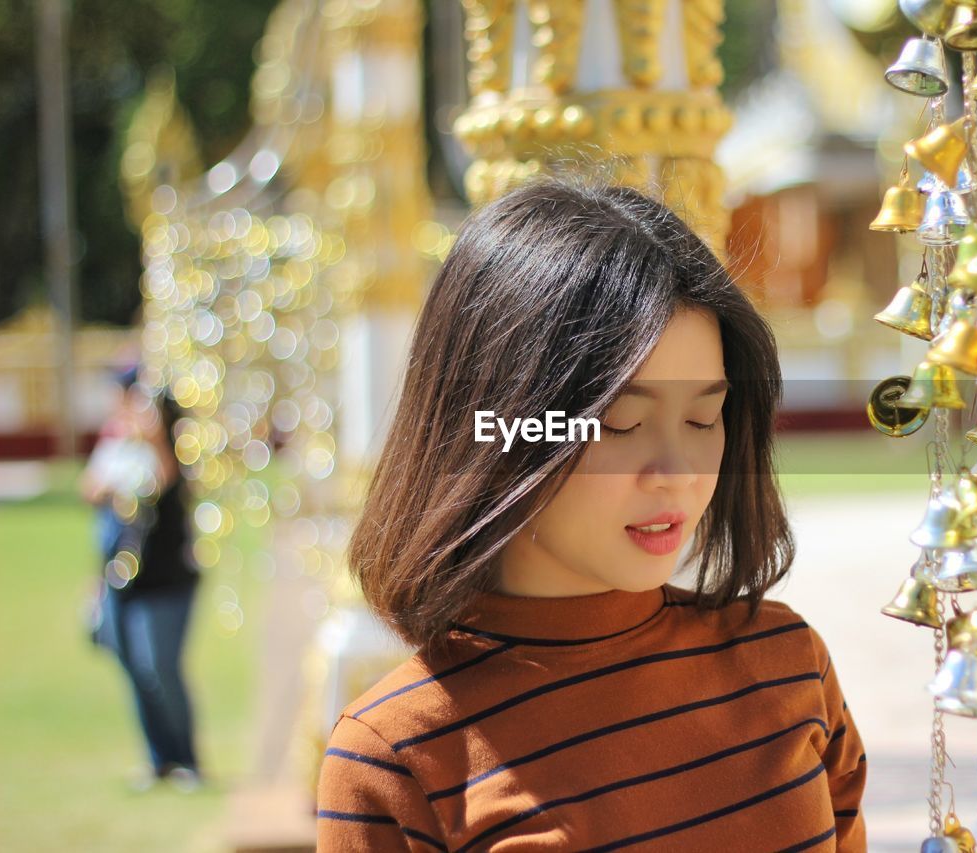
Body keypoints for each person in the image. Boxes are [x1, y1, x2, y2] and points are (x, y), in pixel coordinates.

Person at [315, 177, 868, 851]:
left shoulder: (788, 663)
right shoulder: (396, 756)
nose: (678, 471)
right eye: (622, 422)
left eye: (703, 416)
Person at [81, 367, 204, 793]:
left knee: (160, 669)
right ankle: (158, 759)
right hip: (121, 581)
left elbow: (164, 479)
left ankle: (186, 759)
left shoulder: (172, 453)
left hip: (165, 583)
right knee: (134, 668)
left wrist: (149, 432)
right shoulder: (118, 445)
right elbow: (91, 492)